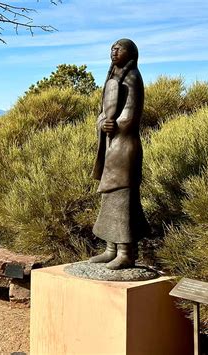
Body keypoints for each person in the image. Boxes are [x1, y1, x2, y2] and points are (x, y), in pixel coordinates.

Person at [89, 38, 150, 270]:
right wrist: (103, 122)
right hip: (111, 146)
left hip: (124, 147)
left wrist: (116, 126)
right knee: (109, 198)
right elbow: (103, 112)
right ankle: (111, 249)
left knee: (123, 199)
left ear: (131, 53)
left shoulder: (133, 78)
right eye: (112, 48)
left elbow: (132, 115)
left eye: (119, 48)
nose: (114, 50)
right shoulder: (112, 77)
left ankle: (126, 252)